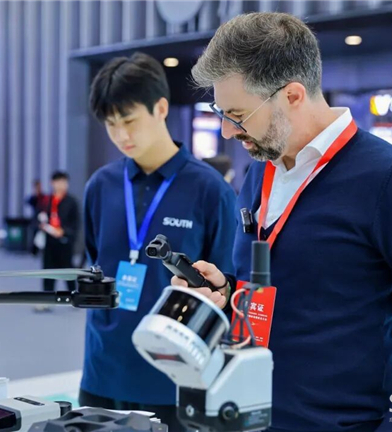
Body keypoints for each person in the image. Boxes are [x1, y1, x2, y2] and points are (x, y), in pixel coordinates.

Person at [170, 12, 392, 432]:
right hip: (250, 414)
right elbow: (300, 292)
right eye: (221, 113)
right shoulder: (260, 171)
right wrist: (228, 290)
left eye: (238, 116)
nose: (228, 133)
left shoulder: (388, 180)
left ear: (292, 95)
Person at [80, 52, 236, 431]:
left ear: (161, 108)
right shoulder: (101, 186)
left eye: (129, 120)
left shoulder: (209, 190)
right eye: (111, 124)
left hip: (175, 379)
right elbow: (95, 262)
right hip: (102, 372)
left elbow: (227, 284)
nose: (121, 136)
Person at [36, 171, 80, 312]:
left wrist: (65, 231)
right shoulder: (47, 201)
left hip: (64, 241)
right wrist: (42, 225)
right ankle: (47, 299)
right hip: (49, 240)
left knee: (68, 271)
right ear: (52, 183)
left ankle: (74, 297)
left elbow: (76, 223)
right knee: (48, 271)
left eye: (64, 182)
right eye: (58, 182)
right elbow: (38, 216)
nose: (61, 185)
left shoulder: (71, 201)